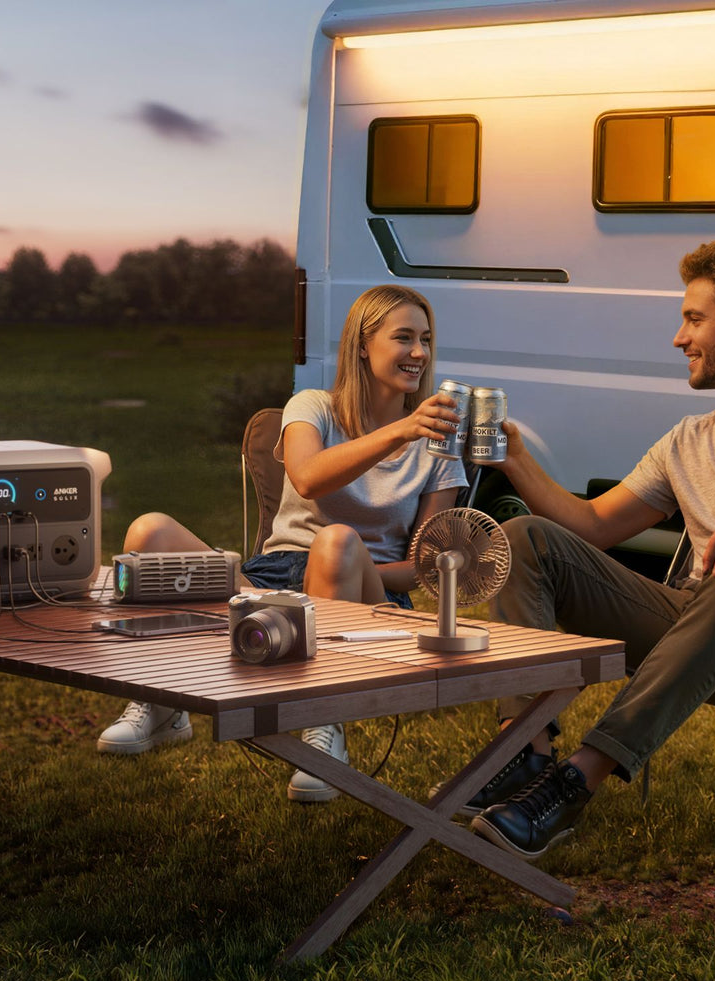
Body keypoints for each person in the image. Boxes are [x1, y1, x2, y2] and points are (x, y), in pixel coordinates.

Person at [463, 239, 715, 860]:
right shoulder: (688, 441)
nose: (679, 338)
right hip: (695, 629)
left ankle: (571, 788)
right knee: (526, 539)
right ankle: (524, 750)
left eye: (695, 319)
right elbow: (590, 527)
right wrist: (516, 460)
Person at [97, 284, 469, 801]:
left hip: (367, 594)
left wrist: (335, 570)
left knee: (336, 543)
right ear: (363, 344)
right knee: (148, 531)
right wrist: (399, 430)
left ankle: (324, 727)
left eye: (425, 340)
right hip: (275, 576)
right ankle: (161, 703)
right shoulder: (312, 406)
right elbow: (309, 476)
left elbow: (423, 569)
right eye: (403, 337)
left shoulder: (437, 446)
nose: (418, 353)